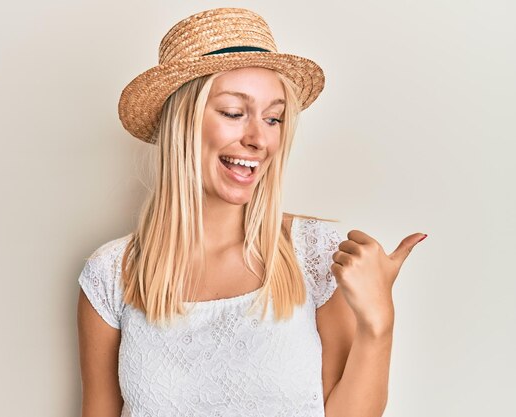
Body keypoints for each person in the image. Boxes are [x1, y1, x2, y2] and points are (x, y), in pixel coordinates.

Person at [76, 7, 426, 417]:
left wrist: (378, 323)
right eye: (233, 112)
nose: (259, 138)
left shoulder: (316, 255)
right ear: (182, 124)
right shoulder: (111, 275)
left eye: (274, 118)